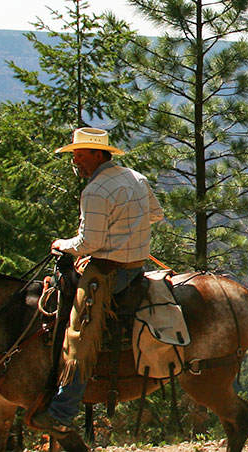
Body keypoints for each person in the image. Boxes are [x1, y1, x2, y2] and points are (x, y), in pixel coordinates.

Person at [34, 127, 164, 433]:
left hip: (108, 273)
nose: (75, 161)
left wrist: (61, 244)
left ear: (96, 154)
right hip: (136, 266)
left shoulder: (95, 191)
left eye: (78, 154)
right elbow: (156, 215)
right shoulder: (136, 177)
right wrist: (127, 228)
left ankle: (63, 412)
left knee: (80, 334)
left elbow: (87, 245)